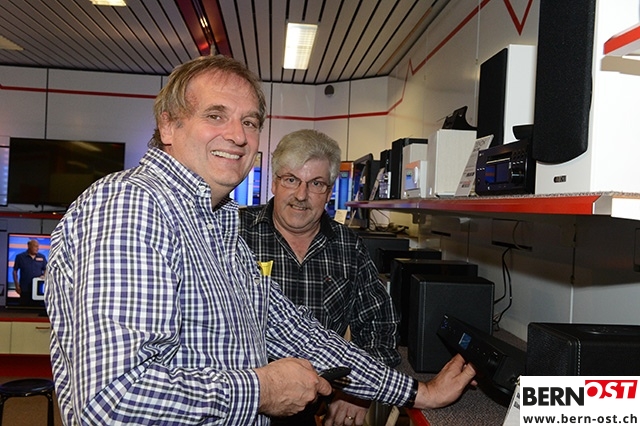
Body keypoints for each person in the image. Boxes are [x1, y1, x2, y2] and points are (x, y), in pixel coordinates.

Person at [45, 54, 476, 426]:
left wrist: (417, 393)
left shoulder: (218, 224)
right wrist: (260, 390)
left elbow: (297, 332)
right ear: (169, 125)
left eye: (249, 122)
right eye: (216, 115)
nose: (238, 136)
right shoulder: (132, 207)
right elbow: (111, 401)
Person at [239, 129, 401, 424]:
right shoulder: (236, 233)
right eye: (291, 180)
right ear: (274, 182)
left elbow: (379, 326)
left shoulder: (348, 246)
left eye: (316, 184)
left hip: (313, 411)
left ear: (329, 191)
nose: (301, 195)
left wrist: (357, 392)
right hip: (245, 406)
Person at [13, 239, 47, 306]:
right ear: (28, 246)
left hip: (38, 290)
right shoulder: (20, 257)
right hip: (25, 289)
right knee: (24, 308)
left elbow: (46, 269)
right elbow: (15, 271)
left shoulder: (42, 257)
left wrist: (44, 275)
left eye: (38, 246)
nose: (37, 248)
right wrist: (17, 286)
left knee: (37, 308)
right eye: (35, 246)